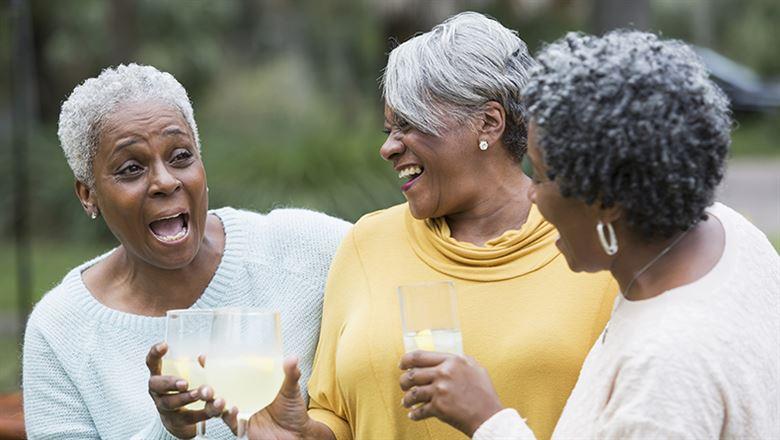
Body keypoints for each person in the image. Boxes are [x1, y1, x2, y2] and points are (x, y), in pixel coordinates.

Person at [236, 12, 617, 440]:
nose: (388, 147)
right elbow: (336, 412)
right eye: (389, 128)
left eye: (410, 124)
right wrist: (308, 434)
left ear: (489, 122)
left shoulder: (592, 249)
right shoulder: (368, 242)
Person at [398, 30, 780, 439]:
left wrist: (487, 419)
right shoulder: (731, 235)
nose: (532, 194)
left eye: (543, 176)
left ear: (607, 198)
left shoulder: (663, 368)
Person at [22, 64, 351, 439]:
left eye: (180, 156)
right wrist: (169, 431)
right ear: (88, 194)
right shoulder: (60, 328)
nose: (165, 181)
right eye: (131, 168)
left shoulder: (305, 250)